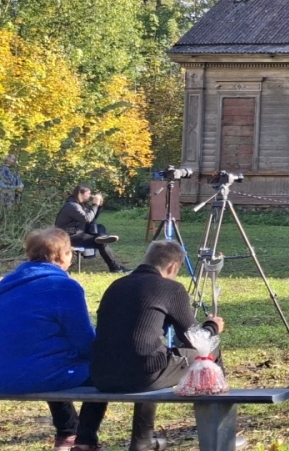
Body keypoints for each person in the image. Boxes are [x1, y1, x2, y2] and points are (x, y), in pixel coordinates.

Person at [78, 239, 226, 451]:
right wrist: (212, 325)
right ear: (173, 267)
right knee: (209, 350)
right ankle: (220, 428)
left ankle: (84, 440)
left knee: (145, 353)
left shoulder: (116, 286)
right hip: (144, 374)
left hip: (100, 375)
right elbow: (196, 340)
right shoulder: (171, 288)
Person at [0, 228, 104, 451]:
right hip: (30, 375)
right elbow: (84, 340)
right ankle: (85, 441)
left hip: (3, 371)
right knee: (105, 371)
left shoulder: (6, 284)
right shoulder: (64, 287)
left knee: (50, 358)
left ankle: (67, 432)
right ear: (63, 256)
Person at [55, 186, 124, 273]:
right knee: (101, 244)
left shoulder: (80, 204)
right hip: (69, 237)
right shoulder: (72, 206)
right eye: (88, 194)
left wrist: (98, 206)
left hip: (78, 232)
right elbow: (87, 219)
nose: (90, 196)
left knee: (100, 227)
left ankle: (102, 237)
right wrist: (95, 205)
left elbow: (92, 218)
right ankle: (115, 268)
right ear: (80, 194)